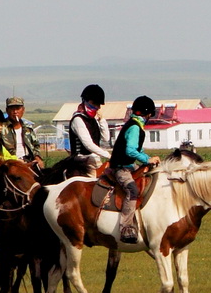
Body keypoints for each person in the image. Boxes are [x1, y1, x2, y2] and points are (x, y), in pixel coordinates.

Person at [108, 95, 159, 242]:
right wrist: (147, 160)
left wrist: (148, 160)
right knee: (132, 190)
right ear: (147, 113)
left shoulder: (134, 124)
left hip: (129, 165)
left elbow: (138, 150)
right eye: (149, 114)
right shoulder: (135, 128)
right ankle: (126, 227)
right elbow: (130, 151)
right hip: (121, 168)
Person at [68, 84, 110, 174]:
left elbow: (106, 138)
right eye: (94, 104)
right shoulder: (78, 119)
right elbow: (88, 145)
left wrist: (102, 120)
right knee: (93, 185)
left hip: (94, 159)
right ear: (85, 101)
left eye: (98, 104)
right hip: (81, 161)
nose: (97, 107)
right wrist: (108, 155)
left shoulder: (93, 119)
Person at [1, 96, 43, 169]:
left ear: (23, 110)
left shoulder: (28, 128)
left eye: (18, 108)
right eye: (12, 109)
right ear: (7, 110)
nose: (15, 112)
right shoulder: (0, 128)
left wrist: (38, 158)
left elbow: (36, 145)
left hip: (29, 162)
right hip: (10, 165)